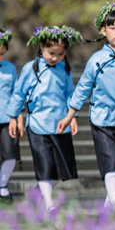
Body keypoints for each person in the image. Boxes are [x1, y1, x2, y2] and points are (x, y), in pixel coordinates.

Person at [58, 0, 115, 209]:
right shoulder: (96, 59)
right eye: (112, 27)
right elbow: (82, 88)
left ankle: (110, 205)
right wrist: (69, 115)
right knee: (109, 160)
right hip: (102, 121)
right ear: (103, 30)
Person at [7, 26, 81, 211]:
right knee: (44, 165)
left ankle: (39, 193)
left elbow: (69, 93)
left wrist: (72, 116)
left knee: (61, 169)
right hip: (38, 126)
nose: (55, 57)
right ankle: (49, 203)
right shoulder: (30, 69)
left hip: (60, 124)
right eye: (51, 53)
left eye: (60, 54)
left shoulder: (64, 69)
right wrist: (14, 117)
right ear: (41, 46)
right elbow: (18, 94)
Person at [0, 29, 23, 204]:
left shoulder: (10, 68)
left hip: (8, 118)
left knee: (11, 154)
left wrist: (19, 117)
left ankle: (3, 185)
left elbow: (17, 94)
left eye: (2, 53)